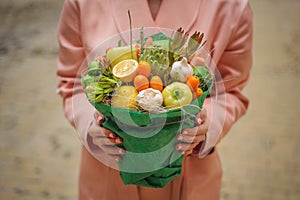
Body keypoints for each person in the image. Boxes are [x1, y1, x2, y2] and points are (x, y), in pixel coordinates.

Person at [56, 0, 253, 199]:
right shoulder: (83, 3)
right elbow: (73, 80)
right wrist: (91, 124)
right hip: (108, 176)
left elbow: (231, 91)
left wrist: (207, 123)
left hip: (188, 174)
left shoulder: (230, 6)